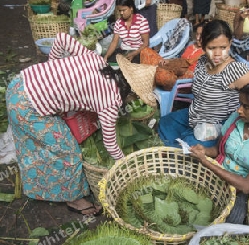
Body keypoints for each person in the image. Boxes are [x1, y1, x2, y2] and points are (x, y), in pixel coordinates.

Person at [5, 33, 153, 216]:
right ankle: (74, 200)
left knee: (36, 144)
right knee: (69, 151)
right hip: (26, 108)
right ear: (132, 93)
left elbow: (61, 39)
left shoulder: (97, 60)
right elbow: (110, 144)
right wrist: (127, 165)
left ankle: (42, 183)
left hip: (19, 84)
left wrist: (52, 67)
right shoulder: (110, 101)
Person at [190, 79, 249, 224]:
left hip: (240, 190)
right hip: (217, 172)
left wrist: (206, 163)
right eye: (240, 104)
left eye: (246, 107)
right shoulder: (236, 119)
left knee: (230, 220)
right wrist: (204, 151)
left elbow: (246, 186)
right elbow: (218, 149)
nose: (239, 110)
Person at [158, 19, 249, 147]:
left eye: (223, 47)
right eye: (212, 48)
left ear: (230, 44)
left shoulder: (235, 70)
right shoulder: (202, 61)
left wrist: (244, 113)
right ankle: (181, 141)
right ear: (203, 45)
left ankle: (187, 145)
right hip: (194, 115)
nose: (217, 54)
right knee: (165, 123)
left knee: (188, 148)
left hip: (215, 125)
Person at [140, 21, 206, 76]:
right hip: (174, 68)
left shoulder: (207, 52)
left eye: (201, 35)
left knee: (162, 74)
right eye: (197, 34)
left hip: (184, 77)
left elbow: (199, 73)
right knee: (145, 51)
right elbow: (180, 59)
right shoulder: (191, 44)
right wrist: (169, 61)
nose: (197, 38)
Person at [104, 0, 150, 64]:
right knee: (109, 61)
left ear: (131, 8)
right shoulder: (118, 23)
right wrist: (107, 55)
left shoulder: (141, 21)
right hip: (124, 50)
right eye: (119, 11)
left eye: (124, 10)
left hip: (138, 51)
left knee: (132, 64)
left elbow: (146, 43)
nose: (121, 13)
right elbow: (114, 43)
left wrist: (134, 53)